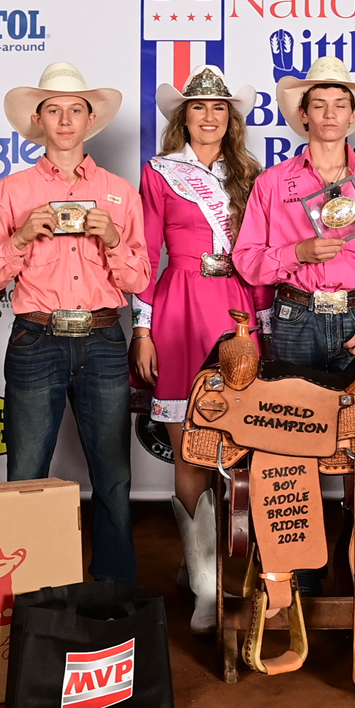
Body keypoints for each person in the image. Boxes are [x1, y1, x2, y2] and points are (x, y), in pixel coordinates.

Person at [233, 55, 355, 585]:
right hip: (296, 318)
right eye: (320, 105)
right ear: (304, 115)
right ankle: (301, 579)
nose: (330, 113)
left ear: (353, 114)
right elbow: (247, 261)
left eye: (340, 104)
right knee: (291, 451)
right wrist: (298, 250)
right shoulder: (273, 184)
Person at [0, 64, 151, 584]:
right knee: (25, 471)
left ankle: (116, 585)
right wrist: (22, 237)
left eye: (75, 109)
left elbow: (139, 279)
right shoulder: (11, 192)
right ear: (39, 120)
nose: (66, 119)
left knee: (114, 475)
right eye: (54, 109)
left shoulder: (120, 192)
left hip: (100, 338)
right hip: (37, 339)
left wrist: (114, 241)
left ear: (90, 119)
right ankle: (23, 588)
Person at [129, 65, 268, 633]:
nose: (208, 117)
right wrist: (142, 327)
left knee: (239, 443)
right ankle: (204, 582)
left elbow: (259, 254)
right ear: (181, 116)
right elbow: (145, 253)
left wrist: (263, 325)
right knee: (189, 446)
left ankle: (228, 570)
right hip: (180, 305)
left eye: (219, 108)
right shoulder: (160, 173)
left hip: (235, 306)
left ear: (230, 117)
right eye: (197, 107)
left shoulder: (251, 175)